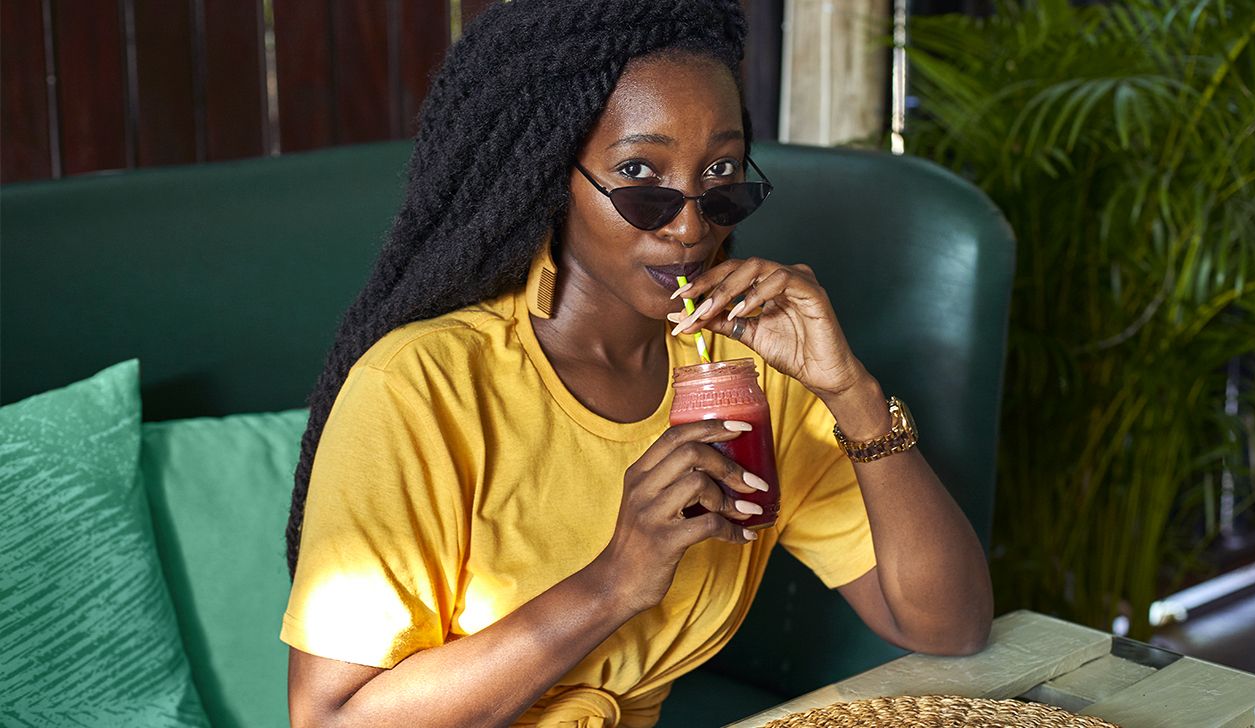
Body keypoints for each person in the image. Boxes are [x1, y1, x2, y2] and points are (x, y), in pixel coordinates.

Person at [280, 1, 993, 725]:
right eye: (639, 174)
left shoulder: (747, 373)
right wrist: (615, 581)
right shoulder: (421, 387)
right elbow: (331, 721)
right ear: (551, 174)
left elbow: (947, 626)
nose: (691, 225)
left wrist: (851, 392)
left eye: (720, 171)